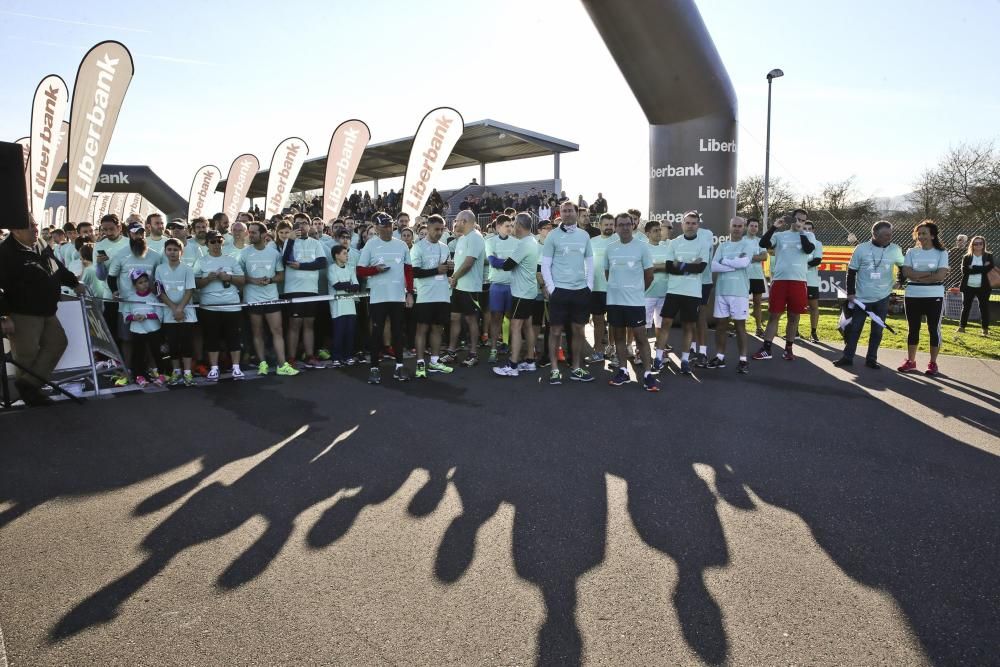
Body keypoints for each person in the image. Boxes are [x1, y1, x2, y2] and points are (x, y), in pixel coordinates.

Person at [0, 220, 86, 406]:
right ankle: (30, 398)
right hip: (22, 312)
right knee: (26, 355)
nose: (36, 228)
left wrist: (73, 282)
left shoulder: (40, 244)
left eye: (35, 223)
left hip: (47, 310)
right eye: (29, 225)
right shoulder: (4, 252)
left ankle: (28, 386)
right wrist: (4, 315)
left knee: (58, 343)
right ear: (15, 229)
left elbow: (56, 267)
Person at [833, 220, 905, 369]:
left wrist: (900, 280)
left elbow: (903, 266)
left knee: (877, 330)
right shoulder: (861, 249)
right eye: (885, 235)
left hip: (883, 297)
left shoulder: (895, 249)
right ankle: (847, 357)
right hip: (861, 298)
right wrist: (851, 293)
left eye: (890, 234)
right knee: (854, 329)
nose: (889, 237)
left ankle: (871, 359)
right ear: (875, 234)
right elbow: (851, 272)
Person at [604, 213, 659, 391]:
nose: (625, 227)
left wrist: (636, 291)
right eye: (621, 225)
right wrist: (617, 289)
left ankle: (648, 374)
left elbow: (649, 275)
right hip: (614, 301)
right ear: (616, 227)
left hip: (635, 302)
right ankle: (623, 371)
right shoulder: (610, 248)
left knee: (641, 338)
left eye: (628, 224)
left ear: (633, 225)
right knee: (619, 337)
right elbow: (607, 274)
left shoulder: (642, 247)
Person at [541, 201, 595, 384]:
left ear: (576, 213)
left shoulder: (584, 235)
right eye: (564, 211)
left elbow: (590, 262)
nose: (567, 213)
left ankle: (576, 367)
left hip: (580, 291)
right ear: (560, 214)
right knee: (555, 331)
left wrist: (589, 286)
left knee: (579, 330)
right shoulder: (552, 236)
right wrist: (552, 288)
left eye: (570, 210)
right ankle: (554, 369)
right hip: (559, 291)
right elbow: (545, 265)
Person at [652, 211, 711, 376]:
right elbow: (670, 267)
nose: (690, 226)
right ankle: (657, 359)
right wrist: (690, 266)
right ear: (682, 224)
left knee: (688, 328)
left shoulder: (703, 244)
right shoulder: (674, 243)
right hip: (673, 291)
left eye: (693, 223)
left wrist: (681, 265)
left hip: (692, 293)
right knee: (665, 325)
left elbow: (701, 268)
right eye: (687, 223)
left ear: (698, 225)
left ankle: (684, 361)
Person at [357, 212, 414, 384]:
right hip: (378, 298)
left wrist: (409, 292)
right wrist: (375, 270)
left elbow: (408, 270)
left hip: (397, 296)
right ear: (376, 227)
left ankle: (399, 366)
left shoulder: (402, 245)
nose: (388, 229)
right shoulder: (370, 245)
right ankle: (374, 368)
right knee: (377, 333)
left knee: (397, 333)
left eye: (390, 225)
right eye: (384, 226)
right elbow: (360, 270)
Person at [752, 210, 816, 361]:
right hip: (780, 281)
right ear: (792, 219)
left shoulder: (808, 235)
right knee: (774, 315)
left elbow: (808, 249)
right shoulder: (780, 236)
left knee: (793, 317)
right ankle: (766, 348)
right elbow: (763, 244)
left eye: (803, 220)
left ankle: (789, 348)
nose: (800, 222)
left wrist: (801, 233)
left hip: (799, 282)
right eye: (798, 219)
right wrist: (774, 227)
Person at [241, 222, 298, 376]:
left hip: (272, 298)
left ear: (264, 235)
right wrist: (253, 280)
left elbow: (281, 275)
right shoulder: (245, 253)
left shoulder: (274, 254)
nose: (250, 235)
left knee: (277, 331)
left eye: (253, 232)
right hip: (253, 299)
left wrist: (271, 280)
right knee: (257, 332)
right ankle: (262, 364)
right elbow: (239, 276)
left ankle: (282, 364)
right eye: (249, 232)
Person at [493, 213, 542, 377]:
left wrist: (494, 259)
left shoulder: (524, 244)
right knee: (527, 326)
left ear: (519, 226)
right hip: (528, 290)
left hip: (522, 292)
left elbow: (507, 266)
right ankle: (529, 361)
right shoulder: (532, 241)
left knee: (515, 327)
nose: (512, 227)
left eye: (513, 224)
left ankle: (512, 365)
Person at [898, 221, 950, 376]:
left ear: (932, 235)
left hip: (934, 296)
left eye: (924, 233)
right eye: (919, 233)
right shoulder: (911, 252)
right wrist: (929, 275)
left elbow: (940, 276)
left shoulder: (942, 253)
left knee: (933, 329)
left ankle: (933, 363)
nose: (921, 236)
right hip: (913, 295)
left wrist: (918, 276)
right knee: (913, 329)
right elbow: (907, 272)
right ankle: (911, 361)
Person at [194, 230, 246, 381]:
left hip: (231, 305)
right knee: (212, 338)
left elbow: (242, 280)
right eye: (213, 241)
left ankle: (236, 368)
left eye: (219, 241)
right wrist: (208, 279)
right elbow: (195, 283)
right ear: (207, 244)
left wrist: (228, 277)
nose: (216, 244)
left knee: (234, 337)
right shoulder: (201, 261)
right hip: (209, 307)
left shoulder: (231, 260)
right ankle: (214, 368)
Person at [708, 217, 756, 374]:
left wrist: (725, 261)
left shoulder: (747, 244)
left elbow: (743, 264)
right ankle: (720, 357)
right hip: (722, 291)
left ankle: (743, 360)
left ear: (743, 228)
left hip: (739, 292)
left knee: (739, 326)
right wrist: (732, 263)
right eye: (734, 226)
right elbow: (714, 266)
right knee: (721, 325)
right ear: (729, 227)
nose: (736, 228)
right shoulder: (723, 245)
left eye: (739, 226)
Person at [409, 214, 455, 378]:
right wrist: (436, 270)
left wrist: (450, 268)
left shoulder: (444, 247)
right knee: (422, 329)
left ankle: (435, 362)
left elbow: (447, 270)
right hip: (425, 296)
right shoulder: (418, 247)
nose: (439, 232)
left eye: (442, 229)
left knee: (438, 328)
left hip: (442, 295)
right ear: (427, 228)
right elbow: (414, 272)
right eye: (436, 229)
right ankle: (420, 363)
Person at [282, 218, 328, 368]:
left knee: (309, 323)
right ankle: (291, 358)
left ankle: (309, 355)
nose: (301, 226)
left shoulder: (316, 243)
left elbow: (321, 263)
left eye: (304, 224)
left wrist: (301, 266)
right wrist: (290, 241)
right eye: (297, 224)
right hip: (293, 289)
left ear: (309, 226)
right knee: (294, 324)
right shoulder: (289, 242)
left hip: (311, 289)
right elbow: (285, 261)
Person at [446, 210, 486, 367]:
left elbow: (469, 262)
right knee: (455, 318)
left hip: (470, 287)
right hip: (458, 286)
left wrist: (454, 277)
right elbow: (461, 261)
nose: (454, 224)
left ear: (464, 221)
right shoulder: (462, 238)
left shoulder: (476, 237)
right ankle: (451, 352)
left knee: (471, 320)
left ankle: (473, 354)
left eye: (456, 220)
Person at [155, 238, 198, 386]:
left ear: (181, 251)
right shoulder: (160, 269)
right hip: (169, 314)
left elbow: (189, 290)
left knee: (187, 344)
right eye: (169, 249)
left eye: (175, 249)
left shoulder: (187, 269)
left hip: (187, 314)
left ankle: (187, 373)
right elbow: (160, 292)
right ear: (165, 251)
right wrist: (174, 308)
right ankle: (176, 372)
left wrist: (180, 309)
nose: (172, 252)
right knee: (172, 345)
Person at [123, 269, 166, 387]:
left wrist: (146, 316)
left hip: (153, 329)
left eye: (146, 281)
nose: (144, 284)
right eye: (140, 282)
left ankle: (161, 374)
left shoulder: (153, 297)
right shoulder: (130, 298)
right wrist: (134, 317)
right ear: (134, 285)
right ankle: (139, 375)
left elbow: (159, 314)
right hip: (137, 330)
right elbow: (126, 315)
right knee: (138, 353)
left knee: (156, 352)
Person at [485, 214, 517, 363]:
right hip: (497, 285)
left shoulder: (516, 242)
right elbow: (493, 262)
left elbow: (516, 263)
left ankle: (507, 345)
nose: (510, 228)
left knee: (511, 318)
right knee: (496, 318)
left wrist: (503, 261)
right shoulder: (490, 242)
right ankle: (493, 349)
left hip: (513, 286)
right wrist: (509, 262)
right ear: (498, 227)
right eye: (507, 226)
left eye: (511, 225)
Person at [327, 245, 361, 367]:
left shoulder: (351, 268)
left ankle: (348, 356)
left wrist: (346, 286)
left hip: (350, 306)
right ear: (336, 255)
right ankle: (336, 357)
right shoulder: (331, 268)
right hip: (337, 307)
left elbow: (356, 286)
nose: (347, 255)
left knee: (350, 332)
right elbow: (336, 286)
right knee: (339, 333)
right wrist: (348, 286)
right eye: (344, 253)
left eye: (347, 253)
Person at [588, 213, 615, 362]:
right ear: (600, 226)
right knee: (598, 321)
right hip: (595, 288)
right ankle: (597, 351)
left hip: (613, 289)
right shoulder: (592, 241)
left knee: (614, 323)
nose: (609, 227)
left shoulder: (619, 240)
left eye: (612, 224)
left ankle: (612, 350)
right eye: (606, 225)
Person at [643, 220, 671, 353]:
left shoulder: (667, 247)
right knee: (644, 326)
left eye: (660, 230)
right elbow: (645, 268)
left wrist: (655, 266)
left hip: (664, 293)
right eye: (655, 230)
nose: (659, 232)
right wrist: (661, 266)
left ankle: (660, 353)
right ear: (648, 233)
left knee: (661, 325)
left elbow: (671, 266)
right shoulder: (643, 248)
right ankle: (640, 352)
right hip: (647, 293)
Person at [958, 236, 993, 337]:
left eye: (980, 243)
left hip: (984, 287)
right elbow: (964, 271)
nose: (978, 245)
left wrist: (973, 267)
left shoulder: (988, 256)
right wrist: (982, 268)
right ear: (972, 245)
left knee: (984, 308)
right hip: (968, 286)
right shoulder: (967, 257)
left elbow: (989, 269)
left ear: (983, 244)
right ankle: (962, 327)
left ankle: (985, 329)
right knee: (966, 307)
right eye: (975, 243)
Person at [801, 220, 824, 343]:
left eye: (810, 229)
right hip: (798, 279)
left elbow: (817, 260)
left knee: (814, 307)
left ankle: (813, 332)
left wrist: (801, 265)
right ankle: (795, 332)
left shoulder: (818, 244)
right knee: (795, 307)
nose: (807, 231)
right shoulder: (797, 242)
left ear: (813, 230)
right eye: (805, 228)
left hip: (811, 281)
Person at [745, 218, 768, 336]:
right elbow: (739, 257)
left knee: (757, 303)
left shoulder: (760, 241)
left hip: (757, 276)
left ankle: (759, 328)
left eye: (756, 226)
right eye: (751, 226)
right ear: (747, 227)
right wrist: (755, 256)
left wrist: (749, 257)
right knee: (742, 302)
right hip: (744, 276)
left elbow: (764, 257)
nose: (754, 228)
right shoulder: (741, 240)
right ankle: (741, 328)